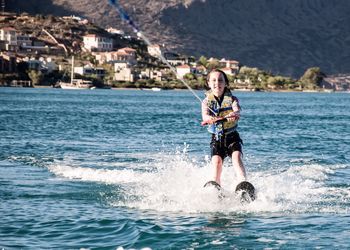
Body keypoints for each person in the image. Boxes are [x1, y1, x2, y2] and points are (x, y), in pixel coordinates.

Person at [201, 69, 247, 187]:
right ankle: (215, 184)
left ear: (225, 83)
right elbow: (205, 115)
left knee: (236, 158)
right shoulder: (206, 102)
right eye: (214, 80)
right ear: (209, 84)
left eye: (221, 80)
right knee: (217, 162)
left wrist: (233, 114)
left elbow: (237, 109)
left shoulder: (232, 99)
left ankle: (243, 183)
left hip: (232, 137)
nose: (217, 83)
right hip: (217, 138)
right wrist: (210, 119)